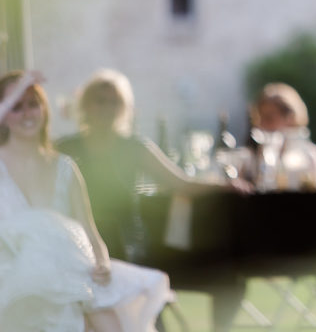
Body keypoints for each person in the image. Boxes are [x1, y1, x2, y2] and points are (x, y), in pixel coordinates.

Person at [55, 68, 247, 332]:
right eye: (100, 100)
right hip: (76, 243)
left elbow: (181, 183)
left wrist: (225, 185)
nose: (107, 107)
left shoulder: (135, 147)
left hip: (126, 242)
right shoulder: (64, 148)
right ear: (86, 105)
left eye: (114, 101)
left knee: (141, 314)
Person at [0, 70, 171, 332]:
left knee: (108, 322)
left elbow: (90, 233)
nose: (26, 114)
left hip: (70, 275)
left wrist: (101, 262)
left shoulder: (64, 168)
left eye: (33, 104)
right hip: (14, 284)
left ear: (44, 109)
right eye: (15, 107)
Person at [247, 82, 316, 191]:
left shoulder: (310, 155)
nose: (262, 125)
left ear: (290, 117)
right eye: (260, 119)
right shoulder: (256, 156)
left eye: (269, 118)